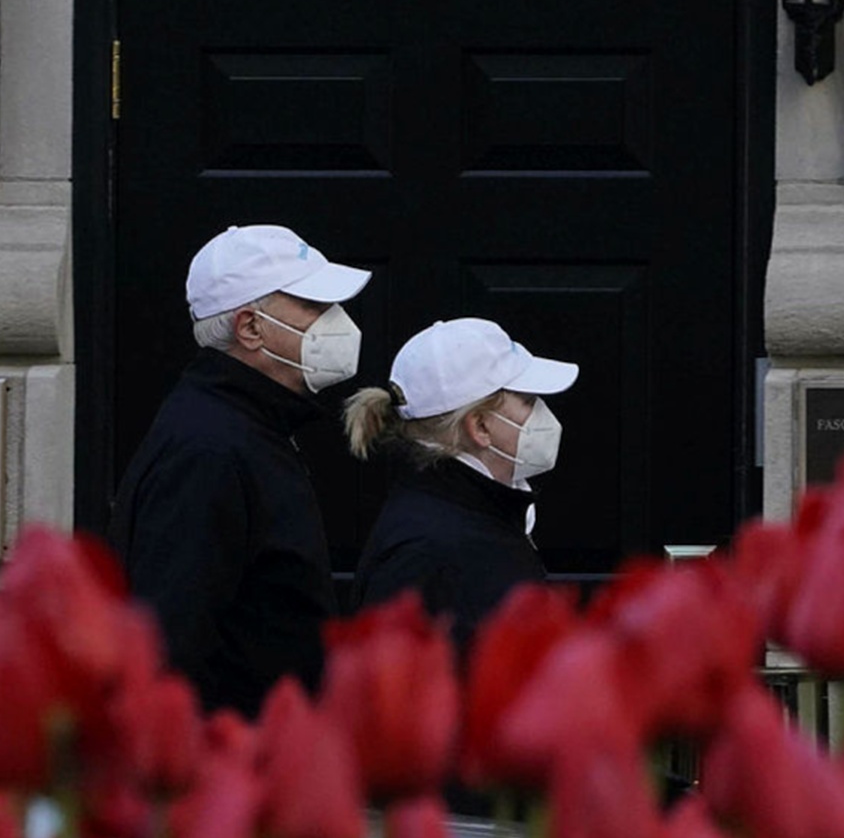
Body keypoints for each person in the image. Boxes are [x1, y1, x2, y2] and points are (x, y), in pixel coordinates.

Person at [110, 224, 371, 716]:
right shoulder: (208, 450)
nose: (337, 322)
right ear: (250, 328)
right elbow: (172, 639)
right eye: (314, 308)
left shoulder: (249, 427)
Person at [343, 317, 578, 656]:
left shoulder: (481, 511)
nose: (542, 412)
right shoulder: (427, 549)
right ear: (480, 426)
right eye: (527, 400)